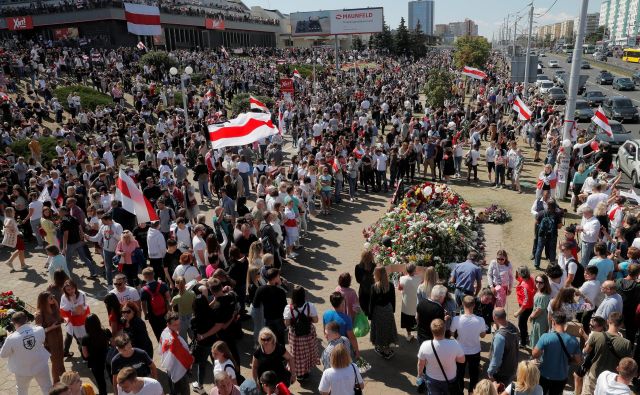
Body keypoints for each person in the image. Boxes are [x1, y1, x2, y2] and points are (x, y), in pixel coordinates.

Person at [0, 311, 53, 395]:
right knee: (47, 388)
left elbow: (3, 354)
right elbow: (41, 340)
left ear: (13, 323)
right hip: (40, 365)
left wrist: (8, 337)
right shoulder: (39, 329)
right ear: (27, 319)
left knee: (22, 391)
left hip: (22, 370)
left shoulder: (11, 338)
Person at [580, 312, 633, 395]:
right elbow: (626, 363)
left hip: (593, 376)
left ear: (608, 321)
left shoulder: (596, 335)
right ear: (622, 324)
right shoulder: (626, 343)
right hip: (610, 381)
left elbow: (585, 351)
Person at [532, 311, 582, 395]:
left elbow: (535, 354)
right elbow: (578, 361)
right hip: (561, 377)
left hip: (544, 375)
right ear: (565, 323)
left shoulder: (546, 337)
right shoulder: (574, 340)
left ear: (553, 322)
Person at [416, 318, 465, 395]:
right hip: (450, 378)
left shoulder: (425, 345)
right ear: (445, 329)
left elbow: (420, 364)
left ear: (431, 331)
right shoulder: (455, 344)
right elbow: (462, 360)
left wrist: (419, 375)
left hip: (432, 379)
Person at [450, 295, 486, 393]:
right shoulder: (481, 320)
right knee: (474, 375)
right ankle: (471, 392)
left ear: (462, 305)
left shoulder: (456, 319)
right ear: (474, 305)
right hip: (475, 351)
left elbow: (452, 334)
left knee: (459, 374)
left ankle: (460, 392)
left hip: (460, 351)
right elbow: (483, 335)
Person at [283, 285, 319, 381]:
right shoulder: (310, 306)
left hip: (295, 335)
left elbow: (287, 324)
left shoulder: (288, 308)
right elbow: (316, 320)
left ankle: (299, 374)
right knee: (308, 352)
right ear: (304, 295)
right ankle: (306, 371)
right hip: (308, 333)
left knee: (297, 354)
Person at [159, 312, 193, 395]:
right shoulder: (175, 340)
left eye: (179, 323)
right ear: (168, 324)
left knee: (174, 389)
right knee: (184, 391)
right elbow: (185, 357)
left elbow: (161, 350)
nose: (178, 326)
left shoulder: (164, 332)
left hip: (170, 368)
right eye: (175, 325)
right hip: (179, 370)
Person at [36, 291, 66, 384]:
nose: (53, 299)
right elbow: (39, 332)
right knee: (55, 361)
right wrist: (51, 327)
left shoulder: (53, 307)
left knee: (61, 356)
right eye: (50, 298)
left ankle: (64, 376)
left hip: (58, 336)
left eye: (52, 296)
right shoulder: (39, 314)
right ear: (44, 301)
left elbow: (60, 317)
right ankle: (56, 382)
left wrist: (57, 305)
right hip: (50, 339)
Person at [253, 268, 288, 345]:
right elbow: (285, 307)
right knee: (280, 339)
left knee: (269, 340)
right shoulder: (281, 292)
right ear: (275, 278)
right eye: (279, 276)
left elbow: (255, 305)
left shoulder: (260, 289)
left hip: (266, 320)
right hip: (279, 320)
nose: (280, 277)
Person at [369, 265, 398, 359]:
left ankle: (382, 350)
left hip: (378, 311)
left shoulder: (374, 287)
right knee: (388, 329)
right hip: (388, 309)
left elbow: (372, 303)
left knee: (380, 330)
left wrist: (370, 315)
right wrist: (392, 309)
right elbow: (393, 299)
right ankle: (388, 349)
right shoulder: (390, 285)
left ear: (377, 275)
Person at [487, 308, 520, 386]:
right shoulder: (514, 327)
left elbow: (497, 359)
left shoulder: (500, 337)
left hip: (501, 373)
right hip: (512, 368)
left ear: (494, 317)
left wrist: (490, 372)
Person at [81, 314, 111, 395]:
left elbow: (85, 355)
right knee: (112, 378)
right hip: (107, 358)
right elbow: (113, 343)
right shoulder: (106, 331)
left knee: (101, 382)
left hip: (95, 363)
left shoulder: (85, 338)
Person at [60, 280, 89, 358]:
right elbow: (63, 311)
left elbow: (81, 311)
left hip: (82, 323)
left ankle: (86, 355)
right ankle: (84, 357)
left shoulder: (82, 294)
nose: (71, 291)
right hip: (72, 324)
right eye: (68, 290)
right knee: (79, 341)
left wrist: (74, 301)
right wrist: (74, 312)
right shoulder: (64, 297)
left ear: (75, 287)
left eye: (72, 288)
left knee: (83, 341)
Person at [140, 267, 170, 341]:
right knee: (168, 330)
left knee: (158, 332)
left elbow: (143, 304)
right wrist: (169, 310)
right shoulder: (162, 284)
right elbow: (168, 298)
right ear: (153, 274)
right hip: (164, 312)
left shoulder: (144, 290)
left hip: (153, 315)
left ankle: (162, 347)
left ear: (144, 277)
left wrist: (145, 314)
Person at [398, 263, 421, 341]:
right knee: (417, 319)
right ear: (414, 270)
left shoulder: (402, 278)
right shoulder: (419, 278)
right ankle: (418, 334)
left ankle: (409, 335)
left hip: (406, 303)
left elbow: (399, 288)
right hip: (416, 303)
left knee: (407, 320)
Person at [514, 266, 535, 347]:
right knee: (523, 323)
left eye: (518, 273)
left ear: (521, 274)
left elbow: (525, 302)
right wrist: (517, 276)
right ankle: (525, 336)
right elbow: (520, 279)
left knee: (521, 324)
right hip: (530, 305)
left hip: (525, 308)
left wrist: (518, 312)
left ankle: (523, 342)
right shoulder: (530, 279)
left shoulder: (524, 286)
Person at [529, 274, 552, 349]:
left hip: (540, 321)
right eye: (536, 281)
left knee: (538, 337)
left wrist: (531, 316)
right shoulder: (540, 293)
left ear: (545, 283)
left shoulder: (542, 296)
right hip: (539, 319)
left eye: (541, 282)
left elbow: (539, 310)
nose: (538, 284)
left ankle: (538, 356)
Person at [354, 250, 375, 317]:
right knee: (371, 310)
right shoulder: (374, 266)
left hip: (363, 291)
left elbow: (358, 280)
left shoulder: (358, 267)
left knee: (363, 310)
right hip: (372, 291)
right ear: (371, 257)